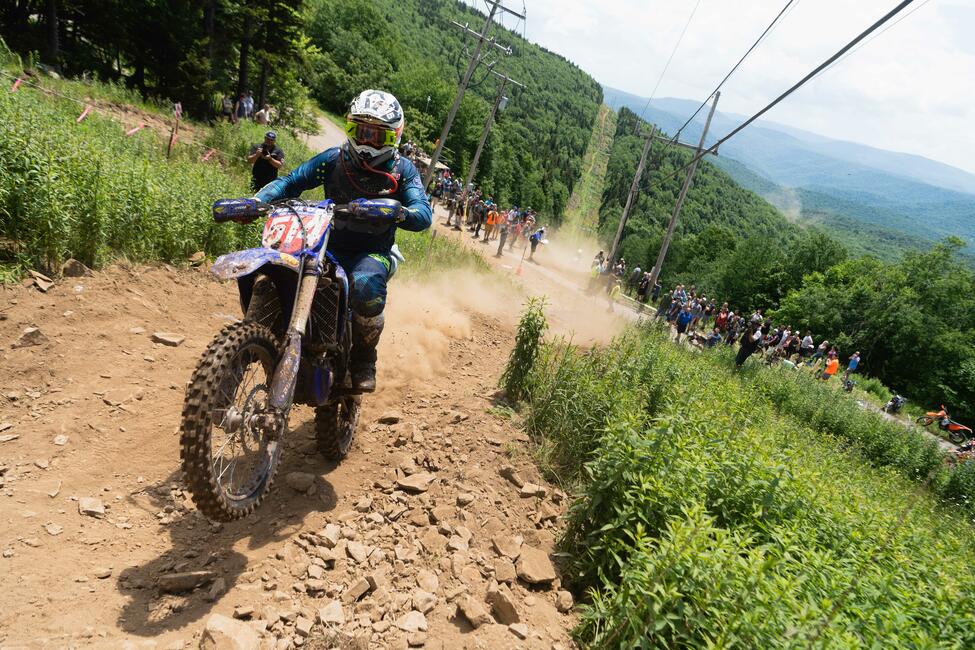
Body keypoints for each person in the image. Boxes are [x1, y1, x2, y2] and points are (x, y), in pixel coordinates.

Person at [254, 89, 432, 392]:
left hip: (372, 252)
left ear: (393, 137)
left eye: (376, 135)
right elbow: (291, 181)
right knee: (276, 268)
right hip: (323, 243)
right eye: (361, 131)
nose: (366, 141)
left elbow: (423, 212)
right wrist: (258, 200)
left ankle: (364, 358)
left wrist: (400, 211)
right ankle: (252, 342)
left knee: (365, 287)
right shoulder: (334, 159)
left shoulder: (402, 170)